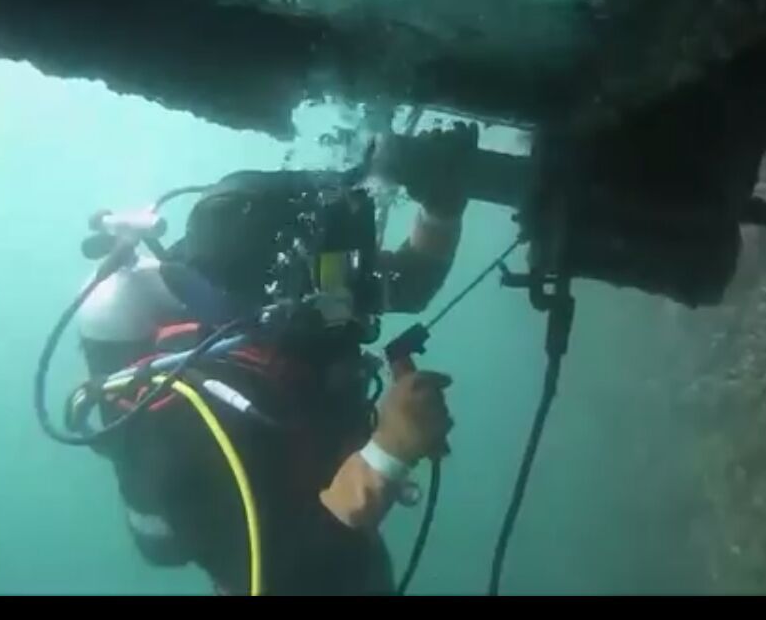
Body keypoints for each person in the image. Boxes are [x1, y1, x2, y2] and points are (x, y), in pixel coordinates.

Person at [73, 123, 477, 595]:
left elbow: (407, 282)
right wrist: (388, 453)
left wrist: (442, 211)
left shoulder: (308, 297)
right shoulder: (189, 416)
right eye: (334, 272)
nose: (349, 288)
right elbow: (276, 580)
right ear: (278, 291)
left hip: (349, 552)